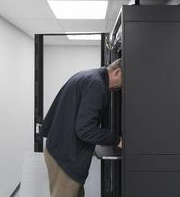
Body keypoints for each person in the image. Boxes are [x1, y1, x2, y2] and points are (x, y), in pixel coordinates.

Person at [41, 59, 122, 197]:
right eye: (124, 81)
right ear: (117, 72)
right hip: (65, 157)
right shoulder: (97, 85)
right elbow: (85, 129)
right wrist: (116, 140)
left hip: (59, 148)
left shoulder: (89, 77)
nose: (122, 87)